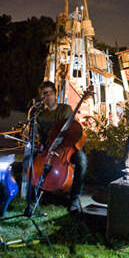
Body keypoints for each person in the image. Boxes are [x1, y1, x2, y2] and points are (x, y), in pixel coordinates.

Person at [35, 81, 87, 213]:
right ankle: (39, 194)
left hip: (66, 147)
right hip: (49, 149)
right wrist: (41, 146)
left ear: (55, 94)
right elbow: (41, 138)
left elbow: (71, 130)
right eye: (43, 94)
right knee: (34, 161)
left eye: (49, 93)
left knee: (81, 160)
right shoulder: (40, 116)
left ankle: (75, 197)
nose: (46, 97)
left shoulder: (65, 109)